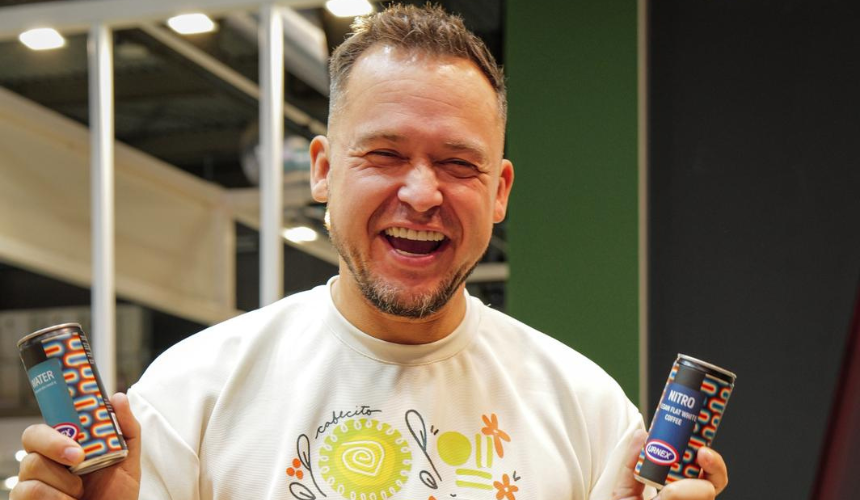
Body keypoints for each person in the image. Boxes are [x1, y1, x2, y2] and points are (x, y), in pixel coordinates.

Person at [13, 5, 728, 500]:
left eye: (458, 163)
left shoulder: (590, 414)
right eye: (385, 154)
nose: (421, 193)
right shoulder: (194, 392)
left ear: (501, 189)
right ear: (323, 169)